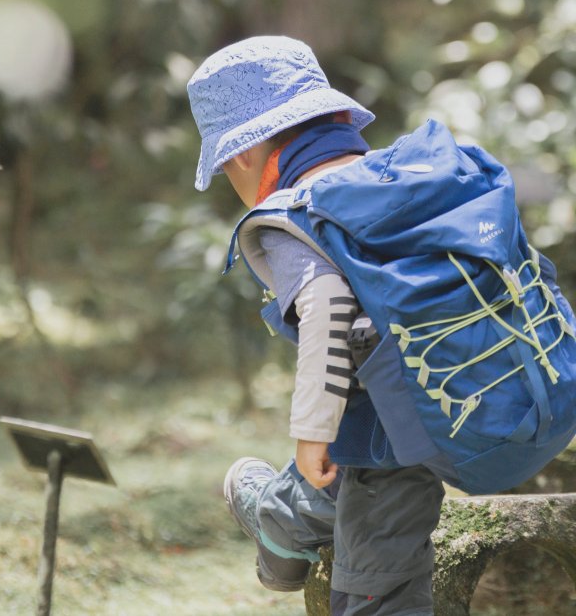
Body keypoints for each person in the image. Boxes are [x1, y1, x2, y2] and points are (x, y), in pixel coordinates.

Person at [187, 36, 445, 615]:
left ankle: (279, 526)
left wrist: (310, 432)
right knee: (342, 499)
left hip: (386, 452)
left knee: (377, 596)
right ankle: (281, 529)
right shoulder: (391, 181)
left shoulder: (298, 212)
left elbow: (327, 307)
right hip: (448, 406)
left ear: (240, 157)